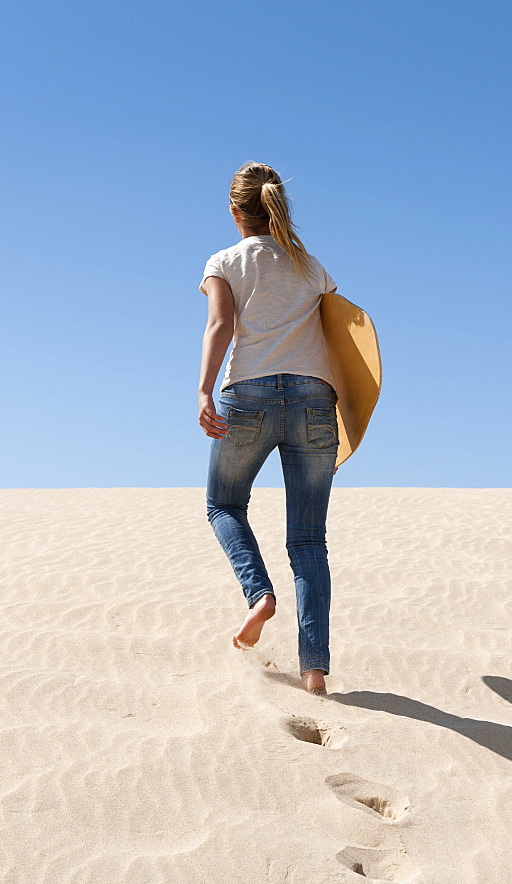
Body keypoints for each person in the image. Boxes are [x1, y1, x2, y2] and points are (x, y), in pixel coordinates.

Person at [198, 161, 339, 696]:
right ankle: (315, 671)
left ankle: (258, 594)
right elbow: (345, 336)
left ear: (236, 211)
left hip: (249, 395)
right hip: (313, 400)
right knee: (308, 540)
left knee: (224, 505)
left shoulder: (224, 261)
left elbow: (221, 324)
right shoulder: (311, 266)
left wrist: (204, 391)